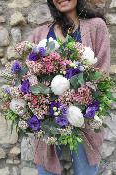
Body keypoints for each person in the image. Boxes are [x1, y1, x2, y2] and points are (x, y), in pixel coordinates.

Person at [29, 0, 110, 174]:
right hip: (47, 124)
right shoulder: (39, 34)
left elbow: (102, 72)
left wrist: (78, 99)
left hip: (84, 122)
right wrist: (41, 102)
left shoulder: (96, 27)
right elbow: (30, 76)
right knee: (46, 170)